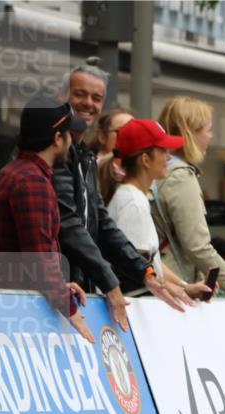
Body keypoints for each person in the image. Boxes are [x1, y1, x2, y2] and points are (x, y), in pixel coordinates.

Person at [56, 64, 186, 329]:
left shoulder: (85, 157)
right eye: (80, 94)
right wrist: (111, 281)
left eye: (97, 98)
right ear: (62, 96)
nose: (88, 104)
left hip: (81, 293)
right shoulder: (53, 153)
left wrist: (146, 273)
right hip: (57, 294)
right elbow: (67, 224)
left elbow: (102, 223)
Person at [0, 97, 93, 342]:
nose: (71, 141)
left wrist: (61, 287)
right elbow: (40, 258)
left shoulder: (12, 171)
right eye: (68, 134)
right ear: (57, 139)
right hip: (24, 319)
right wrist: (70, 308)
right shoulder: (32, 181)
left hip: (14, 309)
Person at [152, 95, 225, 311]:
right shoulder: (181, 176)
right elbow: (197, 246)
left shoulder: (163, 170)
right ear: (190, 132)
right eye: (208, 129)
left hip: (162, 285)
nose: (211, 136)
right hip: (171, 292)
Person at [104, 118, 209, 302]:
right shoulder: (133, 202)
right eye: (162, 150)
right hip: (134, 311)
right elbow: (135, 274)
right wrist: (178, 290)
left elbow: (152, 264)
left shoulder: (134, 197)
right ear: (145, 159)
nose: (168, 157)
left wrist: (185, 287)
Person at [91, 107, 134, 204]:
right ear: (102, 136)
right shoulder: (92, 167)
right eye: (121, 131)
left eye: (134, 131)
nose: (130, 137)